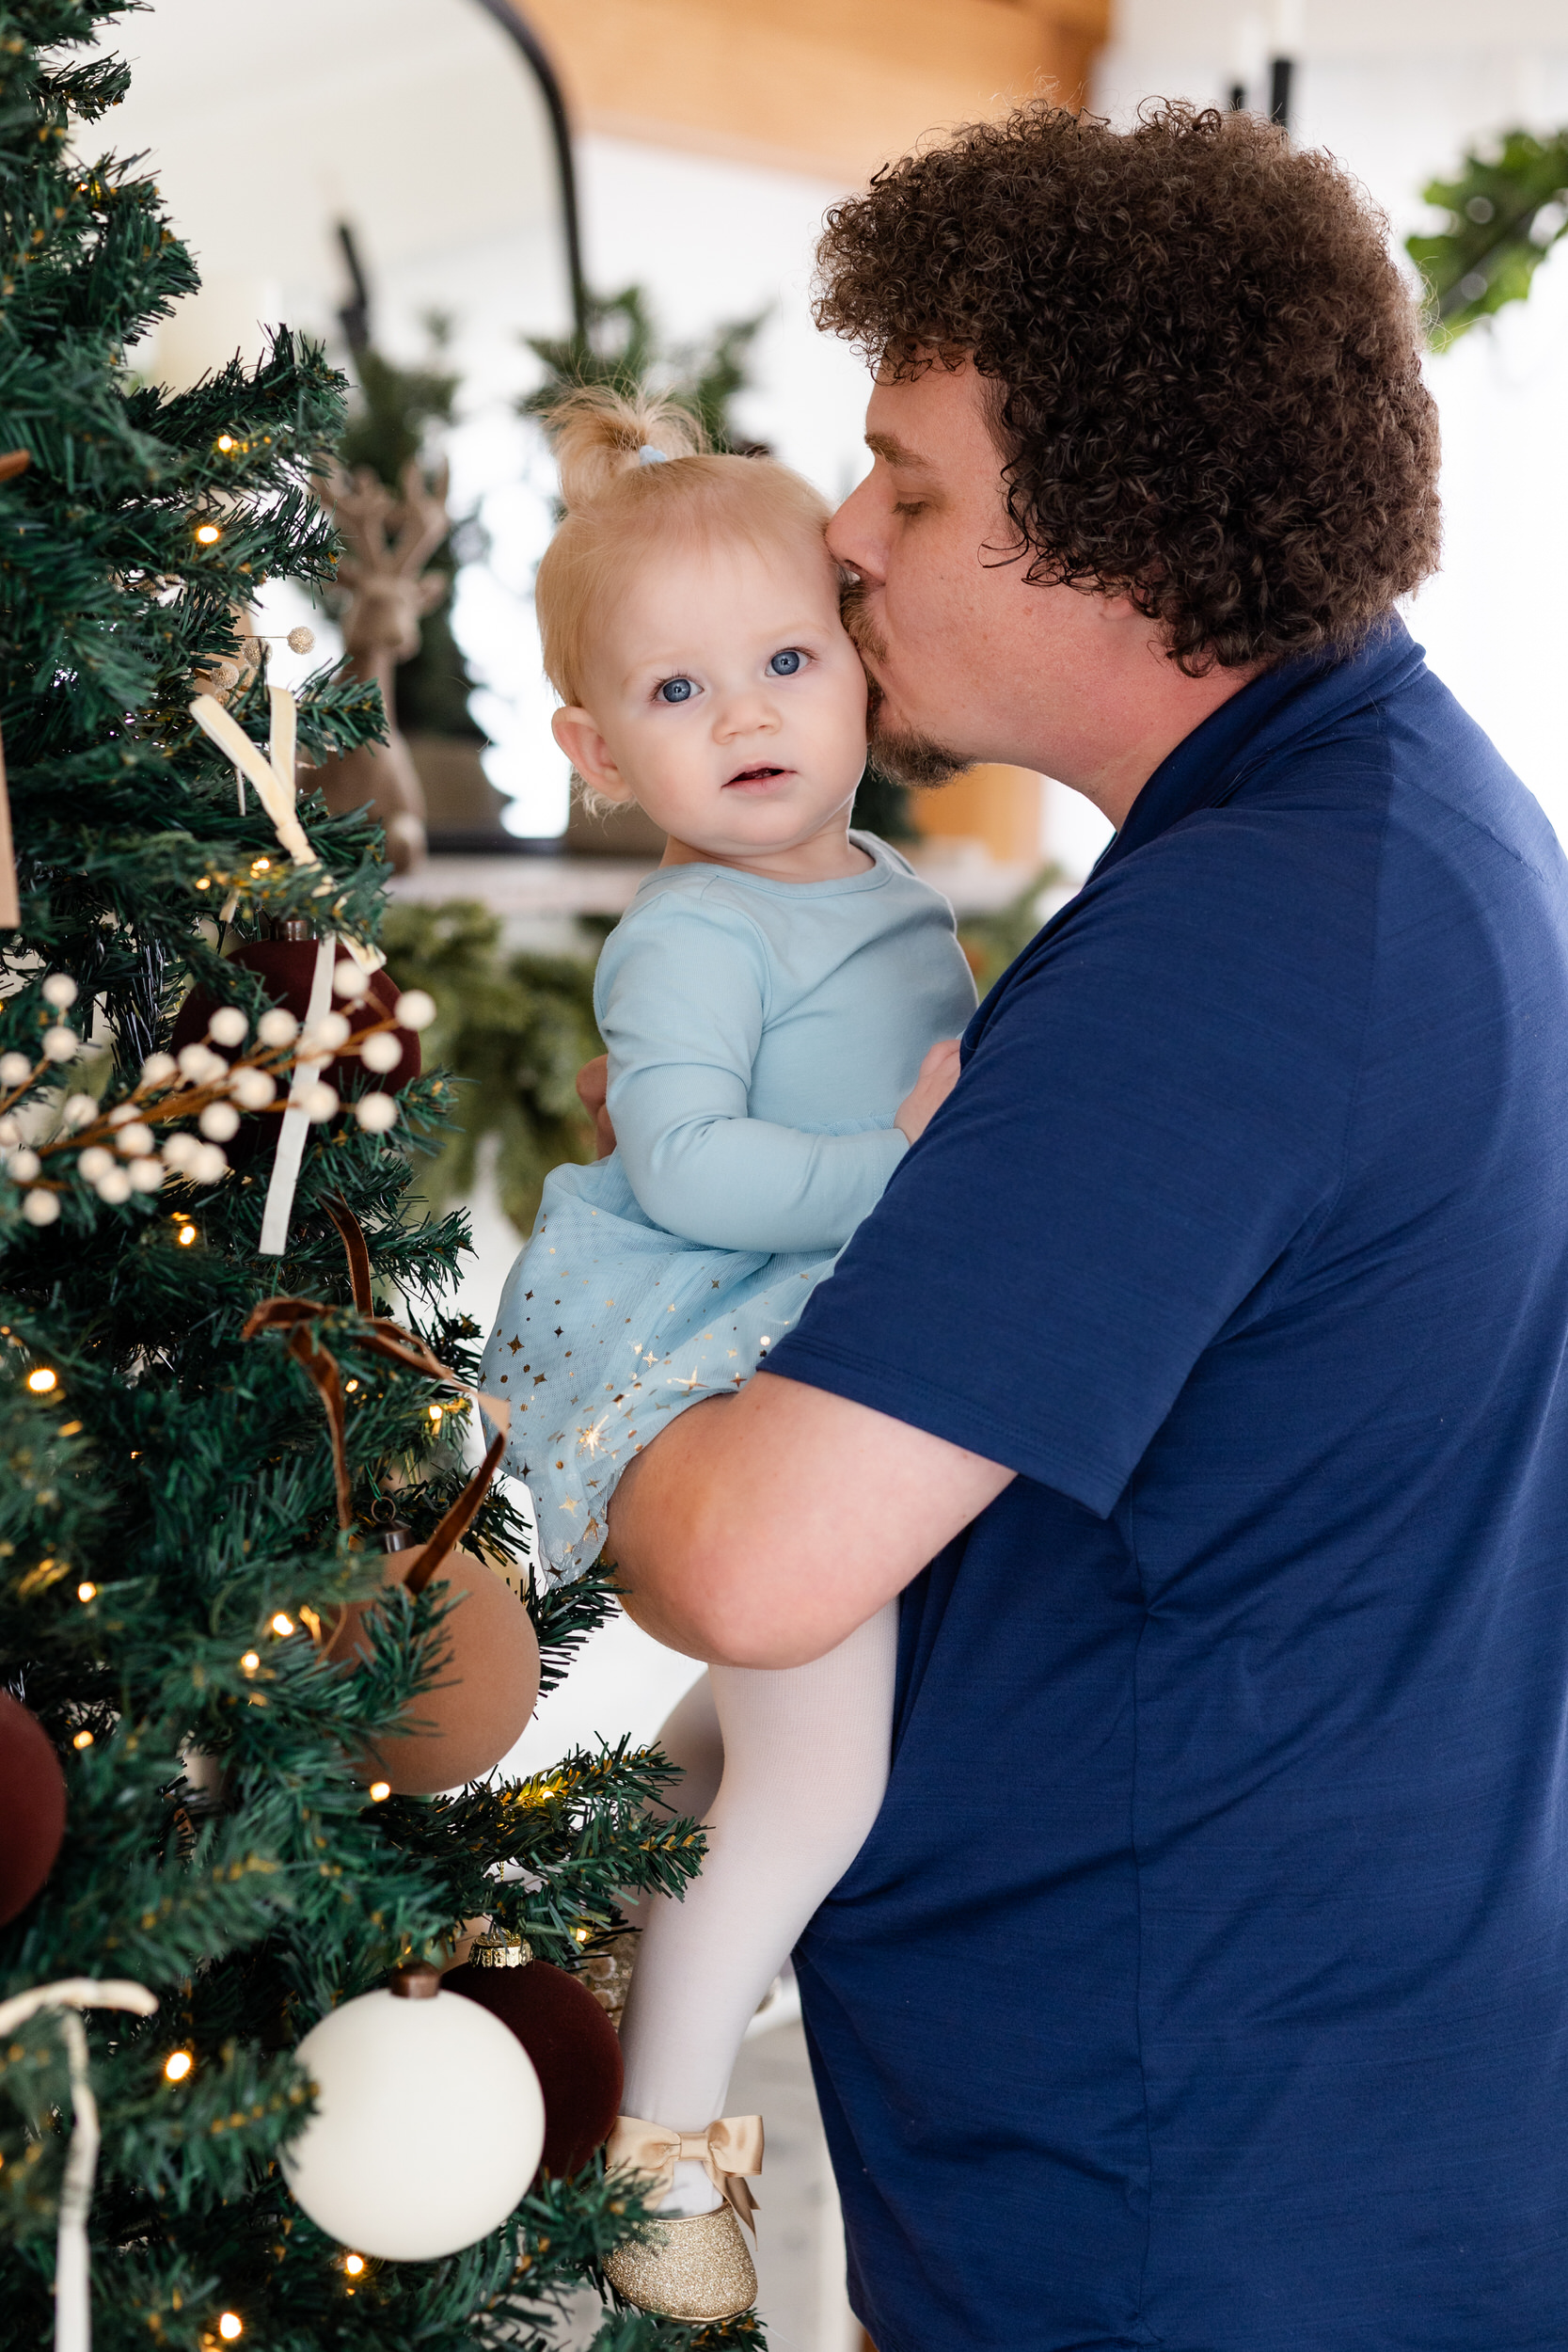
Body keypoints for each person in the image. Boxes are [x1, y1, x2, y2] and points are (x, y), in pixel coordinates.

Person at [600, 102, 1568, 2351]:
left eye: (913, 486)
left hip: (1201, 2185)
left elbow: (747, 1551)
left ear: (1123, 537)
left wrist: (596, 1370)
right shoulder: (1392, 814)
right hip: (1291, 2110)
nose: (842, 536)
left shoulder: (1251, 943)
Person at [478, 387, 974, 2322]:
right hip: (706, 1354)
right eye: (681, 694)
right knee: (821, 1779)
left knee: (768, 1746)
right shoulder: (688, 939)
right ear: (597, 753)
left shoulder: (891, 897)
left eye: (782, 660)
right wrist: (914, 1166)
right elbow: (681, 1158)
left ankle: (620, 1892)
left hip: (823, 1349)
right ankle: (664, 2153)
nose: (750, 714)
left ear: (857, 672)